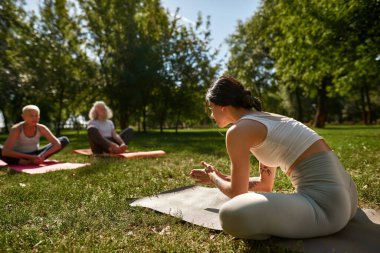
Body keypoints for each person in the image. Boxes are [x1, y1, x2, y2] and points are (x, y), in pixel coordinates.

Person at [190, 76, 358, 240]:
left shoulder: (238, 131)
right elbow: (265, 185)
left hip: (326, 209)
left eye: (211, 108)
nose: (211, 115)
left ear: (222, 107)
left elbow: (237, 193)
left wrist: (213, 176)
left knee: (230, 213)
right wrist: (221, 177)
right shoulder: (265, 119)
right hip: (349, 197)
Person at [0, 105, 69, 165]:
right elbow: (5, 152)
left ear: (39, 117)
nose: (34, 118)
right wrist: (31, 157)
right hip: (18, 155)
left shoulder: (42, 128)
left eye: (36, 115)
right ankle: (20, 161)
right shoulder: (16, 129)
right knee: (2, 151)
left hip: (36, 154)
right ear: (23, 117)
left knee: (64, 140)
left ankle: (29, 161)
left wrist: (42, 156)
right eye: (31, 116)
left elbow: (57, 144)